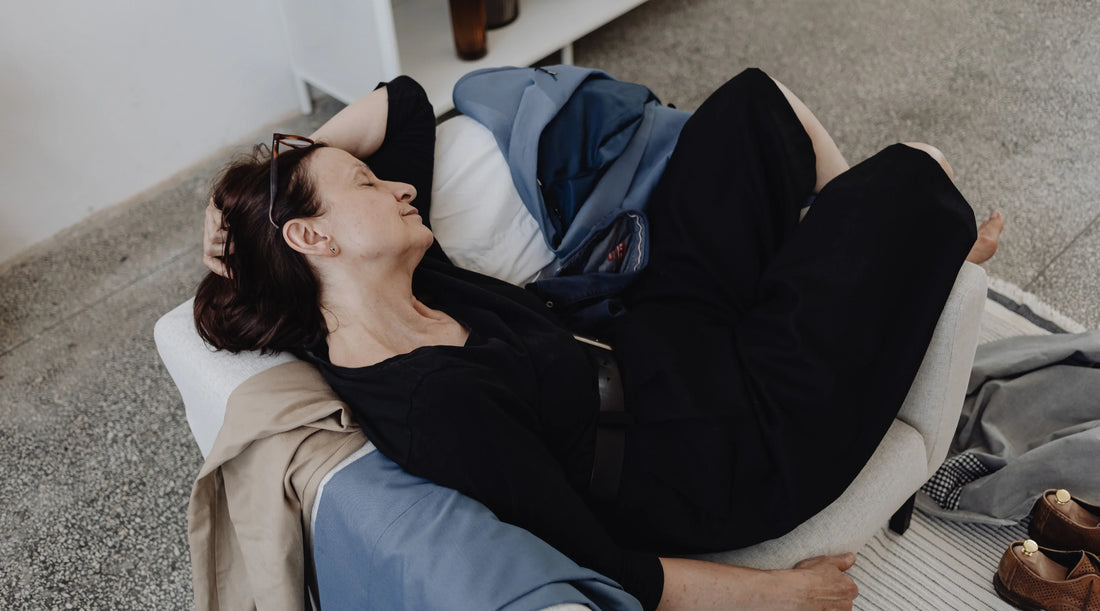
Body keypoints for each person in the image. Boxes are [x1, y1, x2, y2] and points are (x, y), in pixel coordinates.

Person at [196, 71, 1004, 610]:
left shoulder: (408, 273)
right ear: (313, 240)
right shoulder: (434, 403)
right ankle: (895, 264)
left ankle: (866, 264)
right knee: (909, 182)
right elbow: (603, 563)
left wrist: (250, 198)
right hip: (726, 448)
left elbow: (403, 102)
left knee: (750, 111)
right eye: (370, 185)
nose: (402, 185)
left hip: (652, 336)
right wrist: (780, 595)